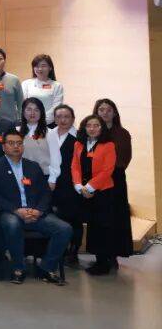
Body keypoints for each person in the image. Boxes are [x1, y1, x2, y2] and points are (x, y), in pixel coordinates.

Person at [0, 129, 71, 285]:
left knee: (64, 229)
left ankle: (46, 268)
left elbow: (46, 193)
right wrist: (16, 210)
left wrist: (38, 210)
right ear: (3, 147)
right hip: (11, 212)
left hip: (35, 213)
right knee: (12, 224)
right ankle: (18, 268)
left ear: (23, 146)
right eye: (11, 143)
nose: (15, 146)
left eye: (19, 143)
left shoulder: (33, 166)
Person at [71, 114, 120, 275]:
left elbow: (107, 170)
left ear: (102, 128)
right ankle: (98, 260)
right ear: (84, 128)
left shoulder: (109, 145)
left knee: (103, 227)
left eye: (96, 125)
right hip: (83, 191)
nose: (92, 128)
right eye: (89, 125)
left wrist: (90, 187)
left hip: (103, 192)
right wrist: (79, 186)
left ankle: (104, 263)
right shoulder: (79, 144)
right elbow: (75, 166)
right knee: (92, 227)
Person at [92, 98, 134, 262]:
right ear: (96, 112)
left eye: (109, 110)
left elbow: (125, 159)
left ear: (114, 113)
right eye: (101, 110)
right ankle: (101, 257)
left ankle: (113, 256)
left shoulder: (122, 133)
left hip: (116, 180)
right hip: (95, 181)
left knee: (116, 218)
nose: (105, 113)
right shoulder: (91, 132)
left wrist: (107, 171)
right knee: (99, 219)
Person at [49, 104, 82, 266]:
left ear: (73, 119)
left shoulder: (79, 136)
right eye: (59, 117)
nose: (62, 120)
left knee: (74, 218)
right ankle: (57, 251)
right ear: (54, 119)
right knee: (55, 216)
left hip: (72, 183)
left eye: (66, 117)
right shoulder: (48, 134)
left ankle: (73, 252)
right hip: (51, 183)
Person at [19, 97, 61, 188]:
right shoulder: (16, 132)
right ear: (23, 112)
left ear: (41, 113)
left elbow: (56, 158)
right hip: (21, 177)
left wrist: (52, 179)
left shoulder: (50, 133)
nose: (32, 113)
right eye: (29, 109)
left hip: (44, 177)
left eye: (36, 110)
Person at [21, 54, 64, 123]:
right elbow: (23, 104)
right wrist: (31, 119)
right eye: (37, 66)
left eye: (43, 66)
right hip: (29, 122)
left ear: (50, 68)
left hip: (49, 123)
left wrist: (41, 121)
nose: (40, 69)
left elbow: (56, 107)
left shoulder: (57, 86)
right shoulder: (26, 83)